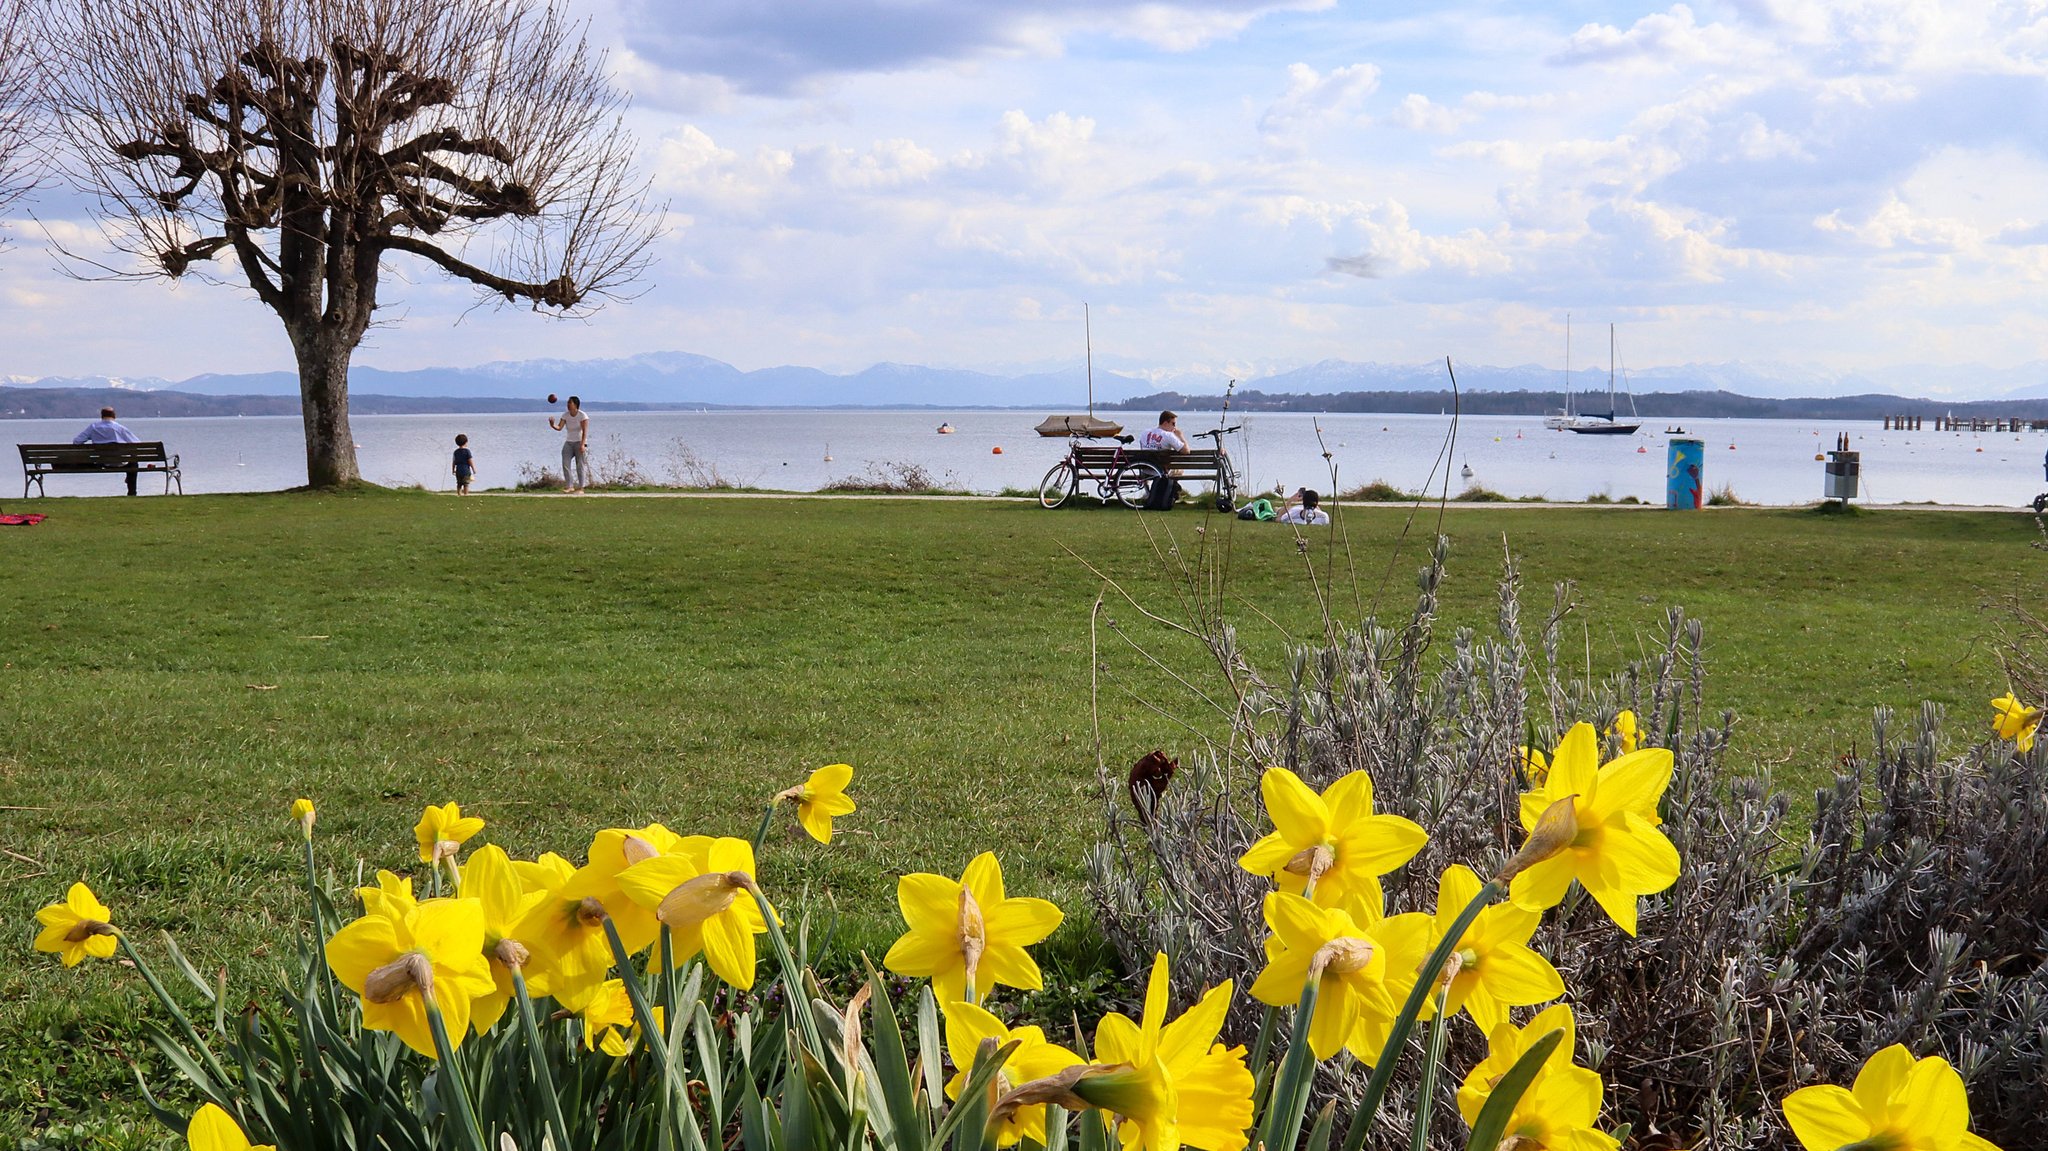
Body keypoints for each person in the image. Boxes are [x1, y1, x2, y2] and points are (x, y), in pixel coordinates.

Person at [72, 406, 141, 495]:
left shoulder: (93, 427)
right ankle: (132, 492)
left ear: (102, 416)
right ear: (114, 416)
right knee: (133, 463)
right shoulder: (120, 428)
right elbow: (137, 444)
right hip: (121, 462)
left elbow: (77, 441)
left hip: (102, 462)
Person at [550, 395, 590, 492]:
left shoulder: (582, 415)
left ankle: (581, 488)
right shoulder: (565, 415)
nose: (568, 405)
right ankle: (569, 486)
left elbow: (585, 431)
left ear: (575, 405)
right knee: (565, 463)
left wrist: (583, 444)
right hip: (569, 442)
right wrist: (552, 425)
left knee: (580, 465)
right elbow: (559, 428)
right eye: (567, 403)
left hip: (579, 442)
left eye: (570, 403)